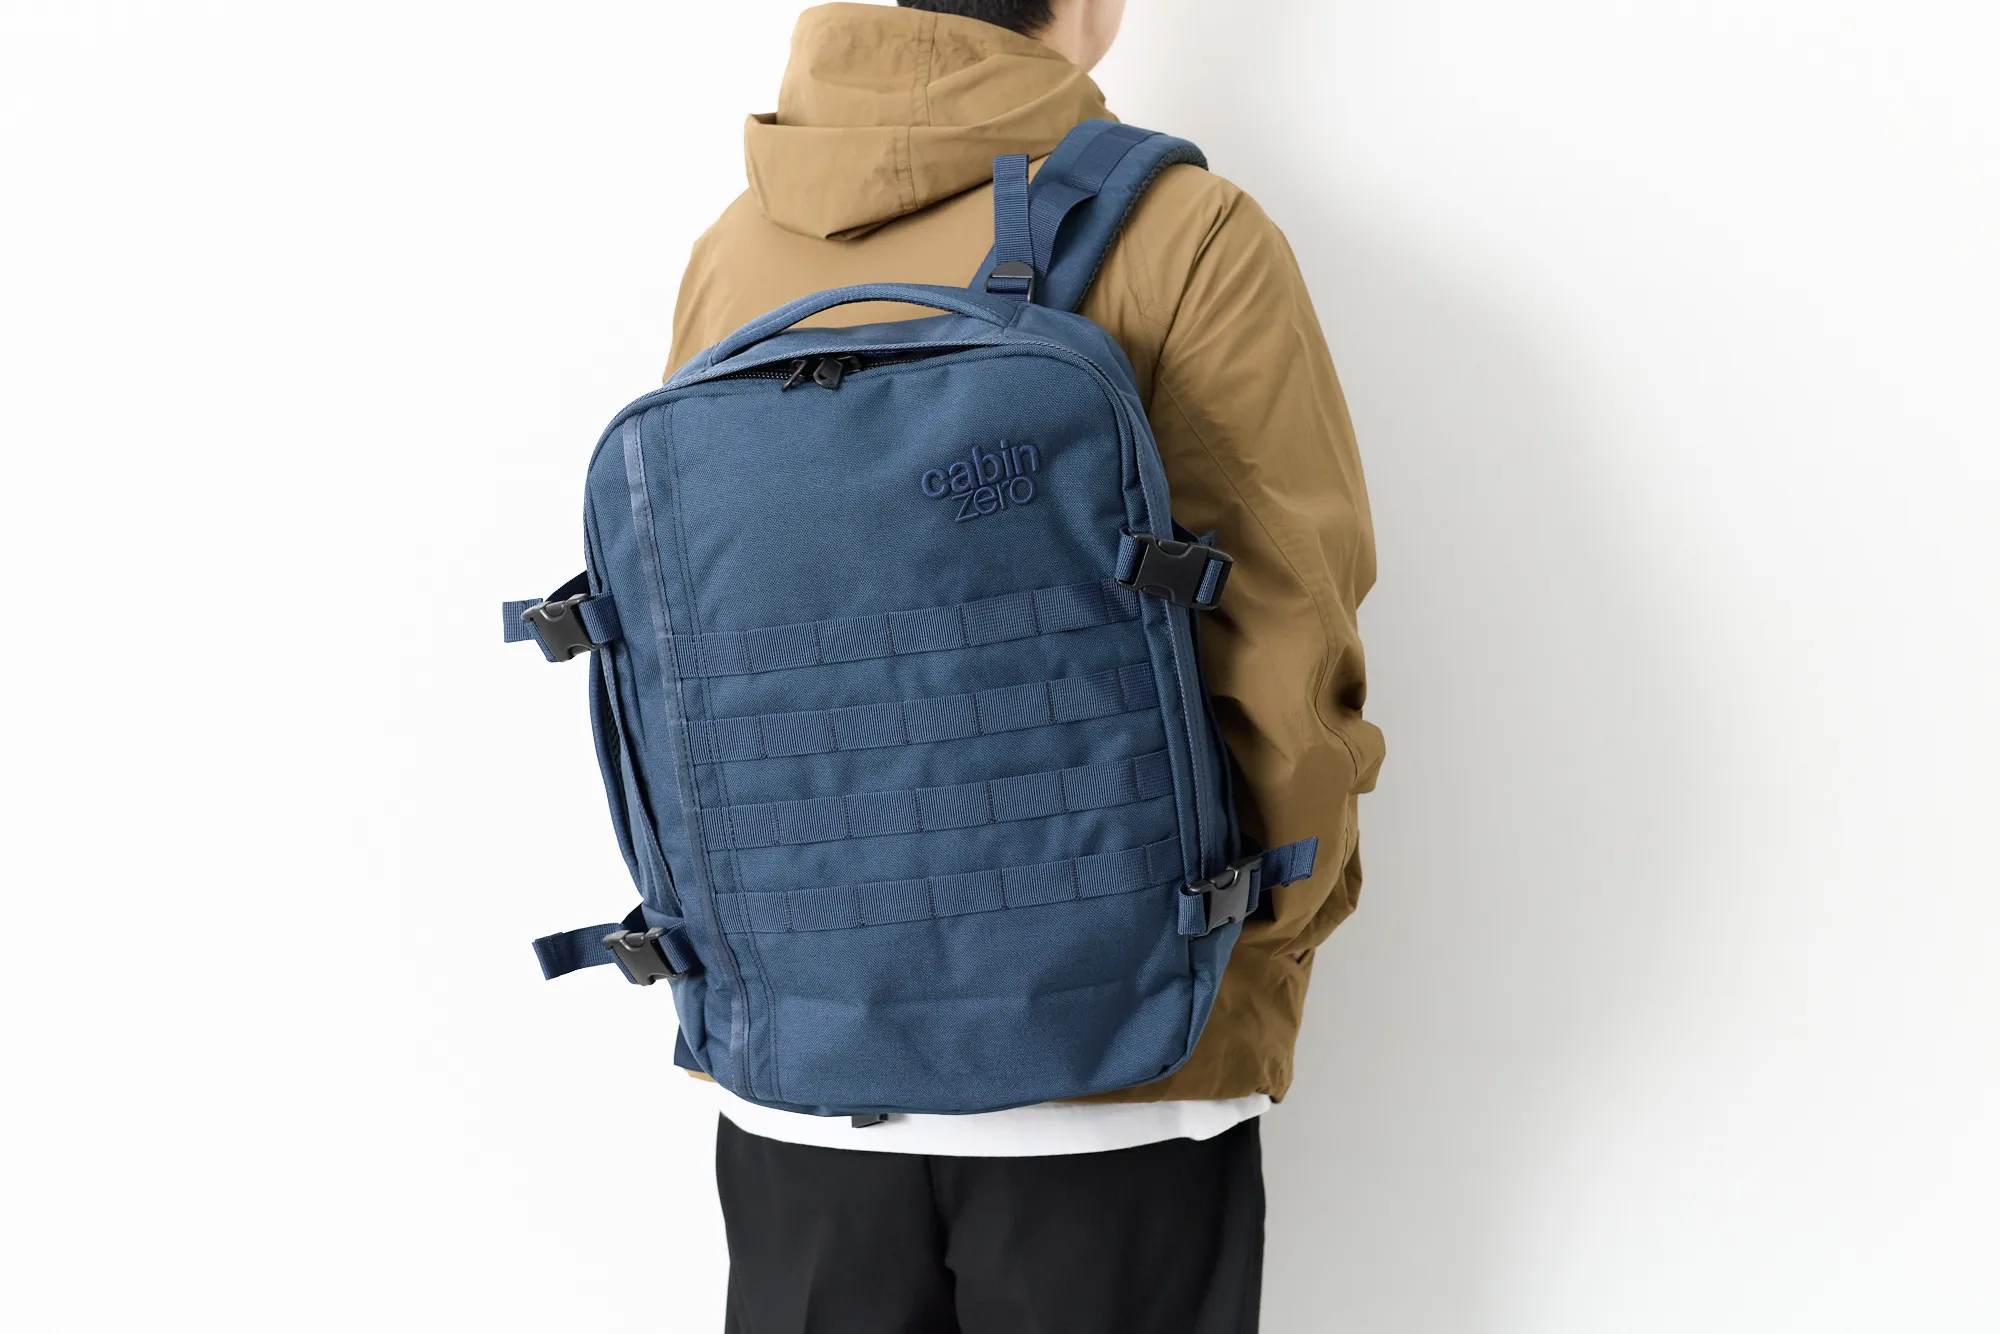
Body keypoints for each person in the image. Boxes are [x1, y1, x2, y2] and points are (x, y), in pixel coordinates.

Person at [666, 3, 1384, 1330]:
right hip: (1120, 1073)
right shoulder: (1187, 232)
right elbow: (1289, 644)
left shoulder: (735, 251)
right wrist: (1251, 964)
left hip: (796, 1079)